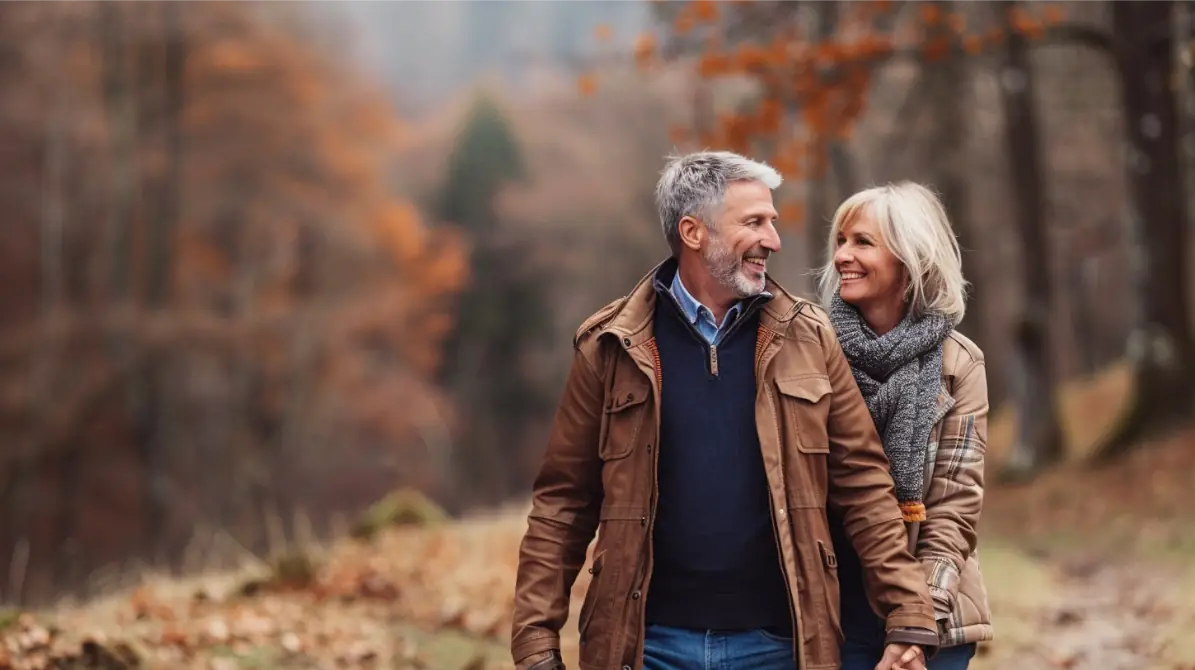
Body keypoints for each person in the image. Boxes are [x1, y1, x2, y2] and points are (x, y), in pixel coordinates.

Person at [510, 151, 939, 670]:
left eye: (773, 223)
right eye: (754, 222)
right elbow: (562, 504)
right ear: (694, 232)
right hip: (646, 649)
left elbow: (864, 484)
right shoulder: (609, 346)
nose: (773, 241)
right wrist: (535, 641)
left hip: (782, 646)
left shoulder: (808, 336)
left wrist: (907, 611)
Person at [818, 182, 992, 670]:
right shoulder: (810, 352)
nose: (842, 257)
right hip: (834, 609)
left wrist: (919, 623)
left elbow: (954, 509)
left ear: (910, 258)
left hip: (933, 599)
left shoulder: (960, 363)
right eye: (841, 241)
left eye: (863, 242)